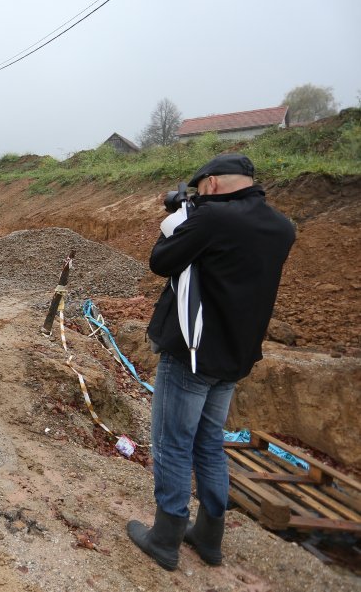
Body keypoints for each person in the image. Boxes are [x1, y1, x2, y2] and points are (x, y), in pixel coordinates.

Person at [127, 153, 296, 571]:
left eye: (201, 189)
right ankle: (208, 536)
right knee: (209, 443)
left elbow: (161, 260)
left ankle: (165, 537)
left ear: (213, 184)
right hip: (235, 357)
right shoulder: (281, 227)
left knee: (172, 442)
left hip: (192, 353)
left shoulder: (213, 220)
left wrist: (184, 216)